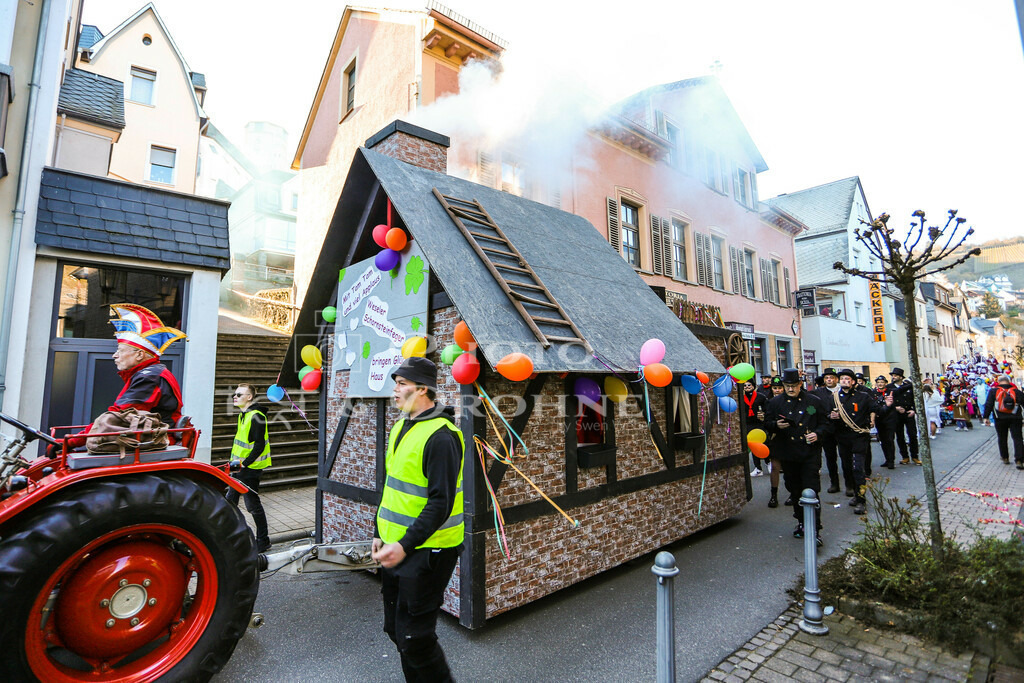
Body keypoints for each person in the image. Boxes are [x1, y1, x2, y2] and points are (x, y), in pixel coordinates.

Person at [373, 357, 464, 682]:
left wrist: (404, 545)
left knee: (415, 638)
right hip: (397, 546)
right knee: (396, 630)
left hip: (429, 551)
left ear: (423, 389)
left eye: (401, 384)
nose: (394, 390)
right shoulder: (401, 426)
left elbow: (441, 503)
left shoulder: (442, 436)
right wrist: (378, 530)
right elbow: (392, 486)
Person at [63, 304, 185, 451]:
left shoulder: (150, 377)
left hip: (154, 442)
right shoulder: (152, 373)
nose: (115, 355)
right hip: (149, 439)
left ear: (140, 354)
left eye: (120, 350)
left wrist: (72, 442)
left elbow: (118, 415)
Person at [763, 368, 831, 546]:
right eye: (787, 386)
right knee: (794, 490)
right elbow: (767, 423)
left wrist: (817, 434)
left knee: (811, 489)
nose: (790, 389)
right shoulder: (775, 402)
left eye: (793, 386)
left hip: (809, 453)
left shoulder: (813, 402)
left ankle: (815, 529)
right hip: (788, 452)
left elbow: (825, 423)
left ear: (800, 384)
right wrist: (776, 425)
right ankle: (801, 522)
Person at [828, 369, 886, 515]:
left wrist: (873, 418)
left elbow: (875, 408)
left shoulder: (863, 396)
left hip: (859, 436)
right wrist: (831, 416)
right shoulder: (834, 397)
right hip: (842, 437)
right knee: (847, 468)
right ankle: (855, 493)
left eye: (847, 379)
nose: (844, 381)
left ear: (853, 382)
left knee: (858, 468)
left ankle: (861, 500)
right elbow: (826, 414)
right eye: (842, 379)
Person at [226, 383, 272, 553]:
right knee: (230, 502)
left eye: (239, 394)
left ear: (249, 397)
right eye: (235, 394)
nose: (235, 396)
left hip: (250, 469)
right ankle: (231, 537)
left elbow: (259, 446)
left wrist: (244, 464)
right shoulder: (243, 415)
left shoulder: (256, 416)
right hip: (239, 467)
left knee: (252, 505)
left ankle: (263, 541)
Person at [812, 368, 845, 493]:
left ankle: (850, 485)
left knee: (846, 457)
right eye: (826, 378)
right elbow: (811, 407)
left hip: (843, 429)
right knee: (830, 458)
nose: (829, 380)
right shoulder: (818, 392)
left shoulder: (843, 390)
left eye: (831, 377)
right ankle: (834, 483)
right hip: (827, 429)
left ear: (837, 379)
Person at [982, 375, 1024, 469]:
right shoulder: (1016, 391)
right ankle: (1019, 460)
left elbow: (988, 404)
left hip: (999, 418)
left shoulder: (993, 391)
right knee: (1017, 438)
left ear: (999, 381)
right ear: (1009, 381)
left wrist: (986, 417)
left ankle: (1005, 457)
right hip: (1015, 418)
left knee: (1002, 438)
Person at [888, 367, 920, 466]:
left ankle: (915, 456)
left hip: (908, 413)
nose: (894, 377)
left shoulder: (908, 386)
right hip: (897, 414)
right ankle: (905, 456)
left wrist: (914, 410)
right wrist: (896, 407)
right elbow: (889, 400)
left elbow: (914, 399)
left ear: (901, 377)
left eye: (896, 375)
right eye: (893, 375)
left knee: (912, 435)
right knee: (900, 436)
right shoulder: (890, 387)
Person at [743, 380, 769, 480]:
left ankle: (768, 462)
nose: (747, 387)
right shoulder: (741, 398)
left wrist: (764, 415)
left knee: (764, 443)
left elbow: (767, 409)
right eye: (744, 386)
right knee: (753, 445)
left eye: (749, 385)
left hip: (759, 423)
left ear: (753, 386)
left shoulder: (761, 397)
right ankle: (758, 468)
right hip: (748, 424)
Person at [871, 375, 898, 469]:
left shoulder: (891, 392)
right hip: (880, 419)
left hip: (890, 419)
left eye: (882, 382)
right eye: (878, 382)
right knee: (883, 440)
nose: (880, 384)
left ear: (885, 383)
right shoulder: (873, 393)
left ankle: (891, 461)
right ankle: (887, 459)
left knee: (890, 440)